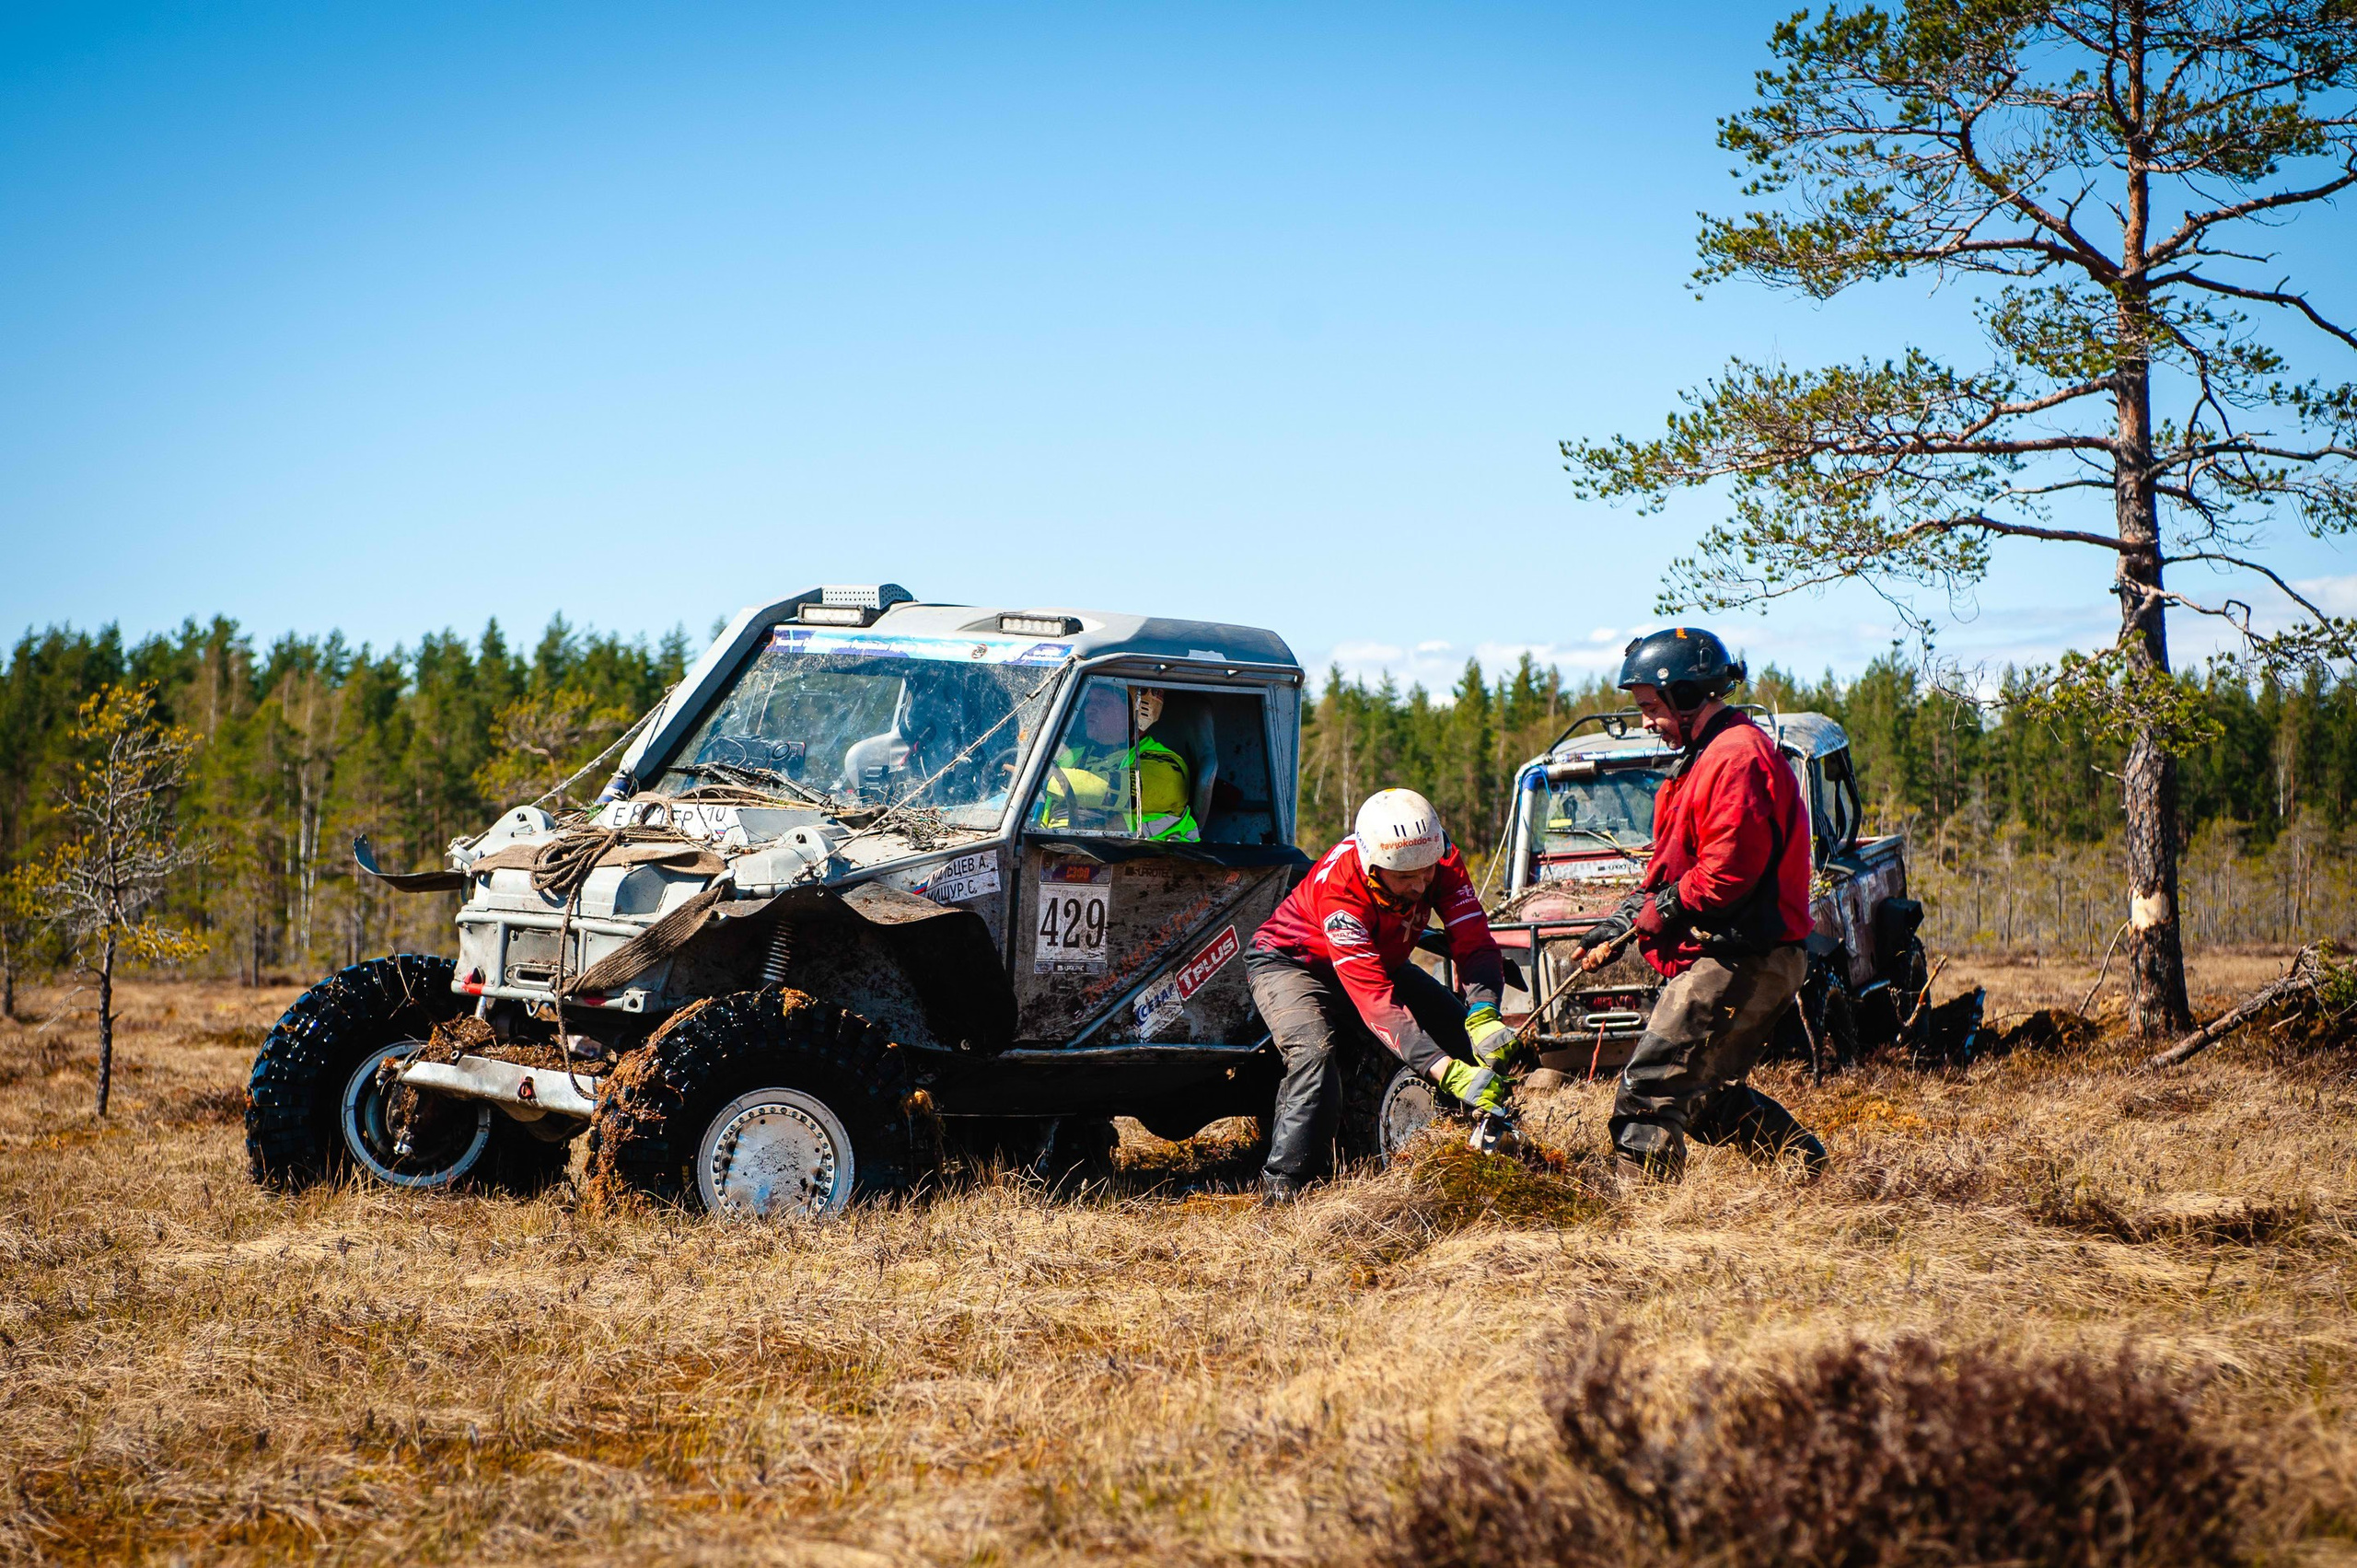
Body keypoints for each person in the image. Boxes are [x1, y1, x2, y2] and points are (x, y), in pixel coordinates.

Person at [1575, 627, 1829, 1179]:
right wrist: (1616, 925)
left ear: (1687, 696)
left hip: (1747, 954)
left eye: (1650, 707)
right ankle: (1805, 1164)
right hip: (1735, 952)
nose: (1645, 721)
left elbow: (1725, 874)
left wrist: (1659, 913)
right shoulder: (1705, 756)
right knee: (1698, 1094)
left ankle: (1640, 1217)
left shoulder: (1736, 758)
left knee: (1653, 1086)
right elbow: (1672, 868)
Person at [1247, 788, 1520, 1202]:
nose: (1420, 884)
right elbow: (1376, 1000)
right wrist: (1442, 1070)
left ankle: (1488, 1152)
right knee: (1316, 1054)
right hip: (1292, 963)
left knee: (1464, 1039)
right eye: (1405, 877)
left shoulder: (1439, 858)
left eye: (1426, 872)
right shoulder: (1341, 892)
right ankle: (1285, 1189)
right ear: (1372, 868)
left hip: (1380, 958)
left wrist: (1483, 1011)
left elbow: (1474, 940)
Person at [1037, 683, 1198, 841]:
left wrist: (1036, 778)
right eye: (1089, 702)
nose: (1088, 709)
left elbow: (1109, 791)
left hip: (1149, 859)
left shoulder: (1168, 766)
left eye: (1103, 702)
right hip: (1060, 849)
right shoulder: (1073, 755)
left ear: (1141, 711)